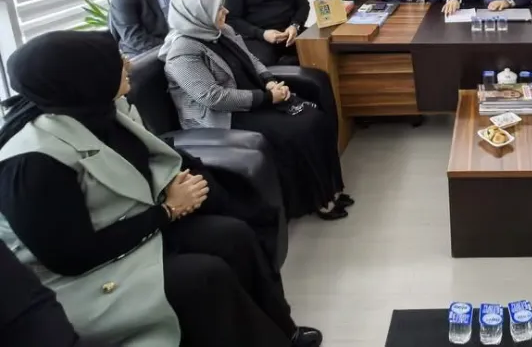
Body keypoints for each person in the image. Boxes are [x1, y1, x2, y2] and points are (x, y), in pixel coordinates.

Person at [0, 31, 323, 347]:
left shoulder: (100, 111)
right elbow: (71, 257)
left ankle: (283, 332)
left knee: (234, 236)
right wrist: (168, 210)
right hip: (82, 278)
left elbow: (152, 157)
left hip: (131, 232)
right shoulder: (31, 162)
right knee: (203, 277)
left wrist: (183, 183)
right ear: (85, 78)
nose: (128, 63)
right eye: (116, 60)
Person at [160, 0, 351, 222]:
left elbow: (252, 60)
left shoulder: (223, 31)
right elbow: (213, 98)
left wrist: (269, 81)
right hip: (224, 116)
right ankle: (314, 201)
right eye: (219, 8)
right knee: (295, 132)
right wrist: (267, 98)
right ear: (198, 14)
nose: (226, 11)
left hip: (255, 96)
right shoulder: (182, 52)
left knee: (314, 117)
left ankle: (329, 189)